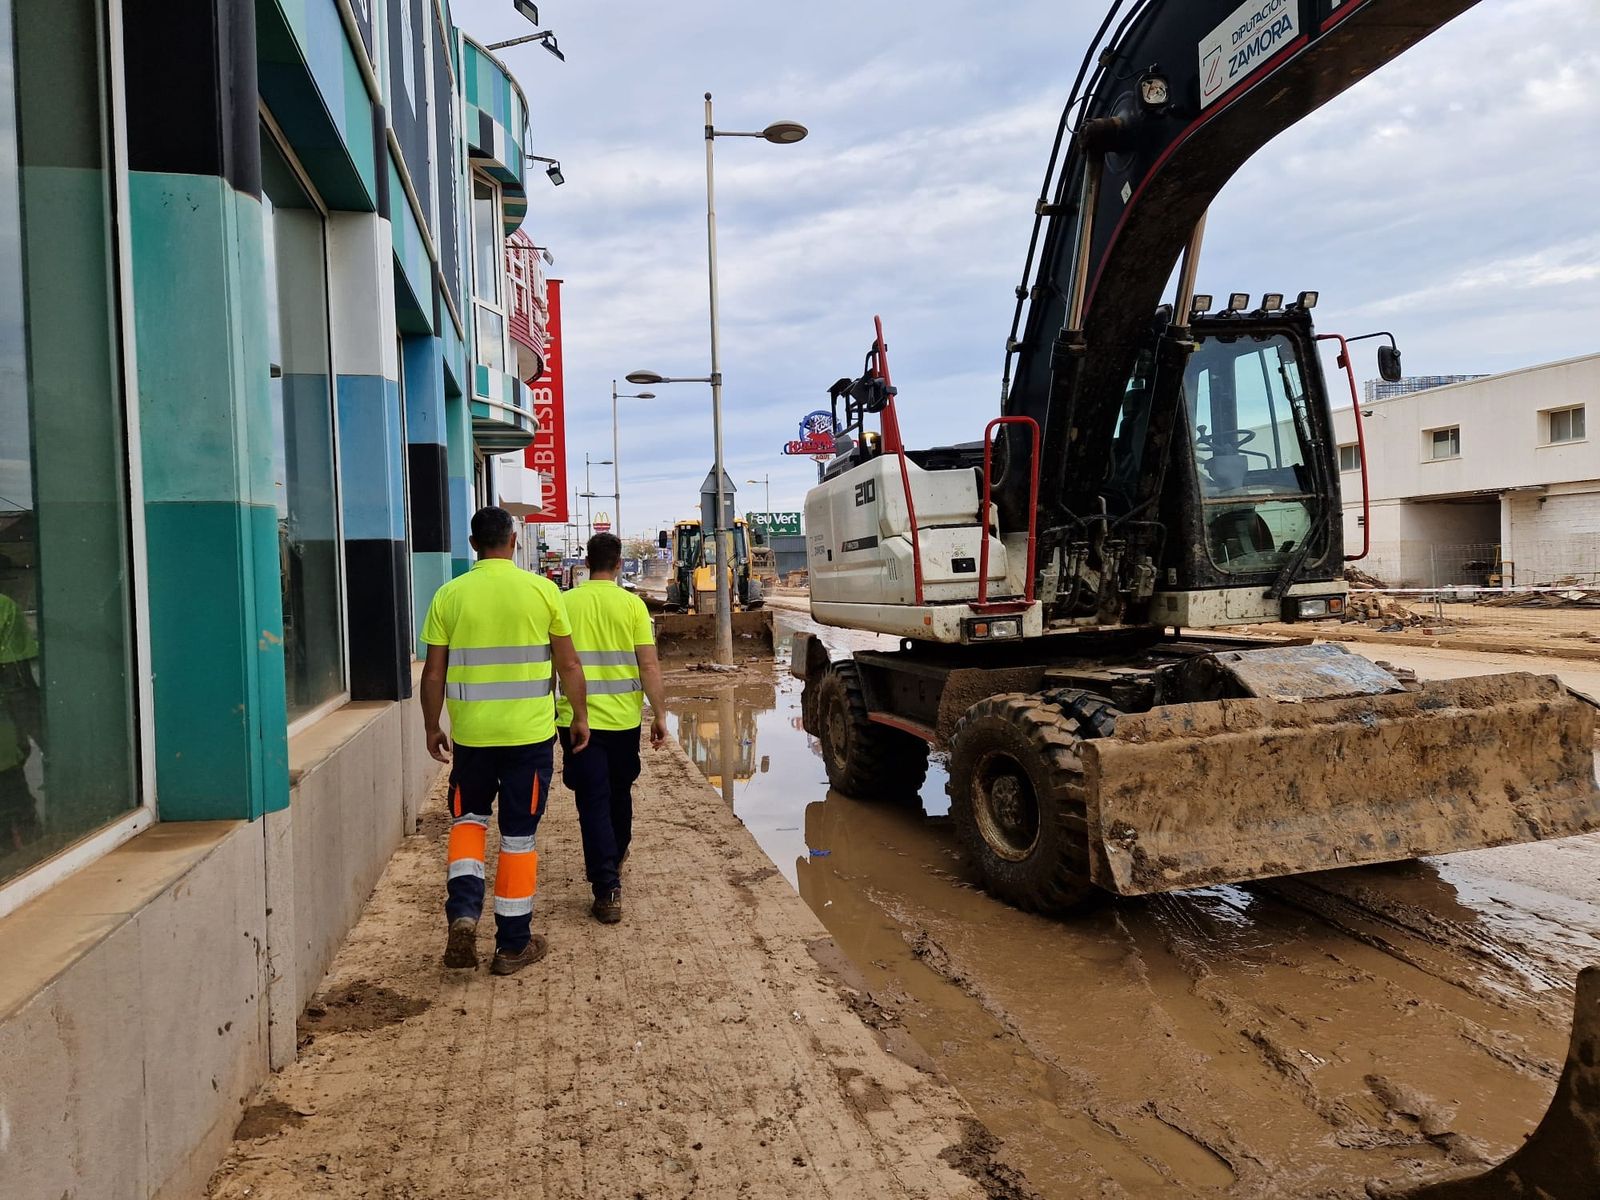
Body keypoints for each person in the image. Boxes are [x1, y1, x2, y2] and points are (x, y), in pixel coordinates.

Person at [420, 506, 590, 976]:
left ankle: (463, 915)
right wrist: (579, 715)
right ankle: (512, 945)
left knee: (468, 823)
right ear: (514, 541)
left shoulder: (449, 596)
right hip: (528, 739)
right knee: (518, 837)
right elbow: (570, 665)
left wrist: (433, 726)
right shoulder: (542, 592)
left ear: (473, 545)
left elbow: (434, 671)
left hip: (472, 738)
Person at [555, 533, 667, 924]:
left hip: (575, 721)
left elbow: (553, 665)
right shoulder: (633, 606)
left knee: (591, 800)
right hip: (623, 721)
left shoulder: (564, 603)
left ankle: (607, 886)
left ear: (586, 564)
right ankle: (613, 861)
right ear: (619, 564)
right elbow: (649, 666)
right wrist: (660, 715)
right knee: (618, 793)